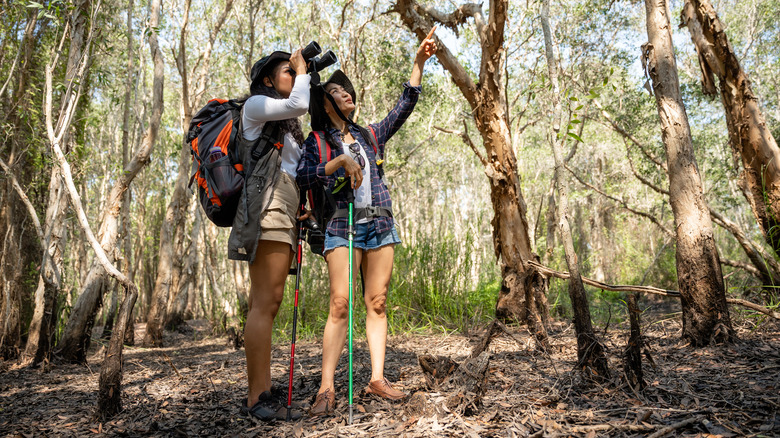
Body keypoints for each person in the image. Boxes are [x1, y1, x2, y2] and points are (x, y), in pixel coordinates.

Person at [296, 27, 438, 416]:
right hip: (341, 225)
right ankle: (326, 387)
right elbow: (304, 176)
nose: (349, 95)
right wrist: (339, 161)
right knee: (340, 303)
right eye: (340, 91)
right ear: (325, 102)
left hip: (379, 224)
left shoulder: (370, 136)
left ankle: (377, 379)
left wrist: (418, 63)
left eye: (351, 92)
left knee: (377, 301)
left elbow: (403, 107)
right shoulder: (317, 141)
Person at [231, 47, 310, 421]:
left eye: (295, 70)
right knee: (265, 300)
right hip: (267, 206)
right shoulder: (256, 106)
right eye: (287, 70)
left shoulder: (286, 129)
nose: (294, 74)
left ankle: (262, 388)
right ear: (267, 80)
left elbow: (296, 168)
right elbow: (299, 104)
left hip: (285, 206)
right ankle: (256, 397)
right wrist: (303, 69)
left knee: (272, 299)